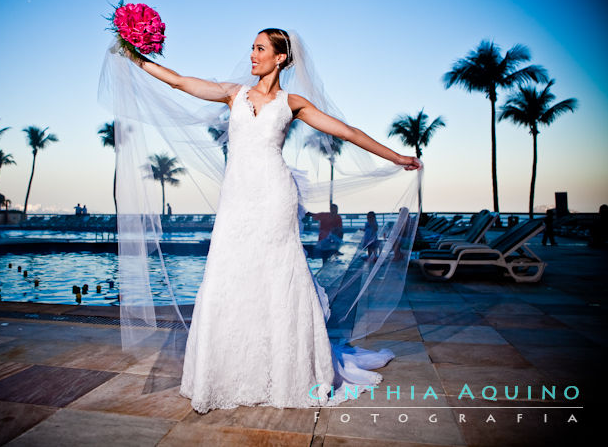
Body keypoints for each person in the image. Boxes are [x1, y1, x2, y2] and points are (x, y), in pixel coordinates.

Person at [108, 28, 421, 414]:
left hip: (275, 197)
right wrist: (135, 58)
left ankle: (286, 372)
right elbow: (179, 82)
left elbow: (349, 132)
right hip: (236, 199)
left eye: (260, 49)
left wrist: (396, 157)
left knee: (279, 275)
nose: (252, 55)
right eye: (252, 48)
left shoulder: (293, 103)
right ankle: (226, 372)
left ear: (280, 58)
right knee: (228, 273)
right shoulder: (232, 93)